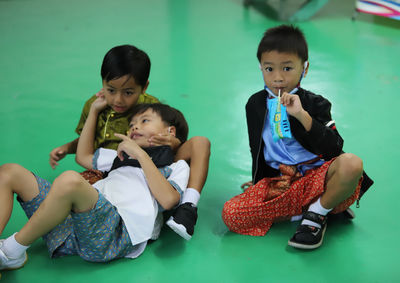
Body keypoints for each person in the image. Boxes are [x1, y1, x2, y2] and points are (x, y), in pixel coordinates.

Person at [222, 25, 373, 249]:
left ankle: (317, 213)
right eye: (269, 68)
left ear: (305, 68)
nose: (278, 78)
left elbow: (334, 148)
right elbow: (257, 149)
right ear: (261, 68)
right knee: (231, 214)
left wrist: (303, 116)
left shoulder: (316, 103)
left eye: (288, 68)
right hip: (282, 184)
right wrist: (259, 180)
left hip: (317, 178)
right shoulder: (254, 104)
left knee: (352, 164)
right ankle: (325, 205)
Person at [0, 102, 190, 270]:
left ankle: (11, 251)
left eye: (144, 121)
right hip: (74, 225)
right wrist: (93, 111)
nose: (134, 127)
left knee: (70, 180)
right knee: (10, 172)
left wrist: (140, 154)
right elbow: (82, 156)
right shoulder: (120, 157)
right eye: (131, 125)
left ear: (170, 132)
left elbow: (168, 200)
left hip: (111, 235)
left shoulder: (174, 167)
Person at [49, 44, 210, 240]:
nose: (118, 99)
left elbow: (169, 139)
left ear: (144, 87)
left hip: (150, 165)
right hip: (109, 165)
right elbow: (87, 142)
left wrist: (174, 142)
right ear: (103, 82)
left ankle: (188, 206)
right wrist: (67, 148)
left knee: (199, 145)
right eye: (110, 90)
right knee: (64, 194)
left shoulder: (149, 108)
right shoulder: (95, 104)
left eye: (128, 92)